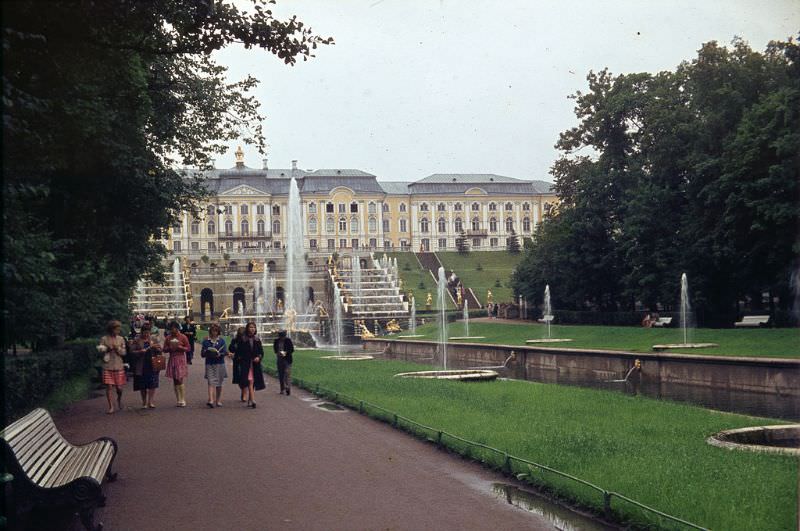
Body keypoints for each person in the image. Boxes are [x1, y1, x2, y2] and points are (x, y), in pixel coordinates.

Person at [231, 321, 265, 408]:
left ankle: (250, 400)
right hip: (246, 364)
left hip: (255, 365)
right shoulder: (243, 339)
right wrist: (239, 358)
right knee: (250, 381)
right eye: (250, 327)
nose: (252, 329)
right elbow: (238, 351)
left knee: (252, 382)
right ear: (247, 328)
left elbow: (261, 352)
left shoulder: (257, 340)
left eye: (254, 327)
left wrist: (259, 357)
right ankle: (253, 400)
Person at [128, 323, 160, 409]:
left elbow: (160, 349)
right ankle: (144, 402)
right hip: (141, 365)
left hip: (152, 363)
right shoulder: (137, 340)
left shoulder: (153, 339)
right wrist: (139, 352)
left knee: (152, 383)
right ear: (141, 332)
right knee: (143, 384)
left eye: (148, 333)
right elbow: (131, 351)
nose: (146, 334)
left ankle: (151, 401)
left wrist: (156, 348)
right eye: (144, 332)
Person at [99, 320, 127, 414]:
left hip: (118, 365)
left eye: (119, 329)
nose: (118, 331)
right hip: (107, 364)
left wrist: (117, 348)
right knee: (109, 386)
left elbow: (124, 352)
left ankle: (119, 398)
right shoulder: (104, 339)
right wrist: (107, 349)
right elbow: (100, 351)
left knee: (119, 388)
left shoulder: (121, 339)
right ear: (112, 329)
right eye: (116, 329)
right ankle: (111, 406)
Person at [163, 321, 191, 407]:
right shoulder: (168, 338)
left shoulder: (183, 337)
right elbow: (164, 349)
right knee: (175, 379)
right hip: (172, 358)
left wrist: (181, 347)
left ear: (177, 328)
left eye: (174, 329)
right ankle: (178, 399)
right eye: (171, 329)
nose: (172, 331)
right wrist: (169, 348)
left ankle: (182, 399)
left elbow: (188, 348)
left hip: (180, 358)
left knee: (180, 378)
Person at [201, 323, 228, 408]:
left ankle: (218, 399)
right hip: (210, 363)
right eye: (213, 331)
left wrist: (220, 354)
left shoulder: (222, 341)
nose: (214, 332)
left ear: (218, 332)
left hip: (220, 363)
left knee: (219, 383)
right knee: (210, 381)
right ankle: (211, 399)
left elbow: (225, 352)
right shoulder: (206, 341)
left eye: (216, 331)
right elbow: (202, 354)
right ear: (210, 331)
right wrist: (206, 352)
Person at [228, 326, 247, 401]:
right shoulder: (235, 340)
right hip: (237, 361)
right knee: (238, 378)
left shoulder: (247, 340)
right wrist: (234, 347)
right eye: (240, 334)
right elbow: (231, 348)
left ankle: (245, 393)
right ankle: (243, 390)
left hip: (245, 361)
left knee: (244, 378)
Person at [273, 330, 294, 396]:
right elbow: (275, 349)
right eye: (281, 336)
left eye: (283, 336)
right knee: (281, 374)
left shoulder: (288, 340)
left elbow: (292, 349)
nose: (282, 338)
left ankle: (288, 388)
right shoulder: (276, 341)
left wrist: (286, 353)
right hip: (280, 359)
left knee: (287, 373)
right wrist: (278, 352)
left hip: (287, 359)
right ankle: (282, 388)